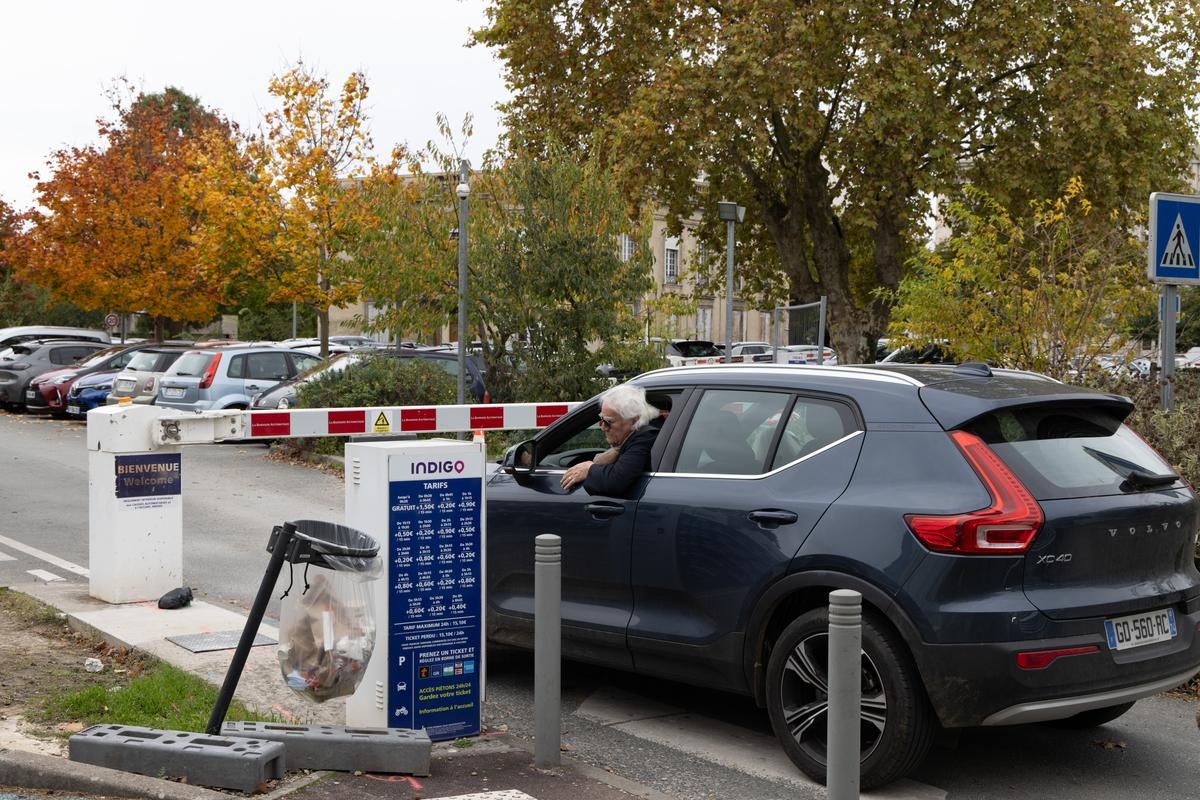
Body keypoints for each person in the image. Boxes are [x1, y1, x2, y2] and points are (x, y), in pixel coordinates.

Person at [560, 384, 657, 496]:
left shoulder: (644, 438)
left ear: (634, 421)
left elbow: (616, 481)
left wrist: (589, 469)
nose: (602, 426)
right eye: (601, 419)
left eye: (608, 422)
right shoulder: (631, 439)